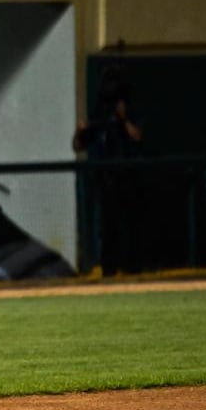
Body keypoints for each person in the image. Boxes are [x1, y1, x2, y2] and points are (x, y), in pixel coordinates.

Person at [72, 65, 144, 275]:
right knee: (106, 228)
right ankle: (108, 269)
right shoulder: (99, 113)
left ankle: (133, 269)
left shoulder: (130, 111)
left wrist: (123, 119)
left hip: (128, 179)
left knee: (130, 228)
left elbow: (137, 136)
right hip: (104, 181)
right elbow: (78, 146)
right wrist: (80, 130)